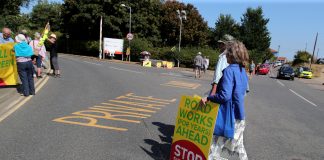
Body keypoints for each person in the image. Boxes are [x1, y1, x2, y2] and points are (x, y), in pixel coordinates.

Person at [201, 40, 249, 160]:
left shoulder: (229, 70)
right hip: (240, 116)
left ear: (232, 55)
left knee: (214, 147)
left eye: (227, 53)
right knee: (238, 148)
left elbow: (225, 96)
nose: (225, 55)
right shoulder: (242, 71)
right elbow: (243, 92)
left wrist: (209, 97)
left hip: (228, 117)